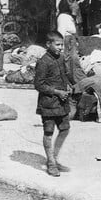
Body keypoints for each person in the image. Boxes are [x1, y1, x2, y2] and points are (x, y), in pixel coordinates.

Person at [34, 31, 74, 177]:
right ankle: (51, 164)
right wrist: (57, 92)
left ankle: (54, 159)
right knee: (49, 132)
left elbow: (64, 75)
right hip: (48, 103)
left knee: (65, 129)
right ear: (48, 44)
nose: (61, 48)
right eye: (57, 45)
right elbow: (38, 84)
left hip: (61, 102)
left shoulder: (61, 58)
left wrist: (68, 85)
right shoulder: (43, 62)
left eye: (62, 45)